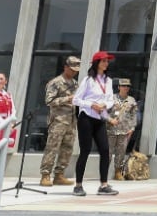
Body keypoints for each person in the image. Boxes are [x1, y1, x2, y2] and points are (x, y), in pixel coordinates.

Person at [71, 51, 119, 197]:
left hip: (99, 118)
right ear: (97, 63)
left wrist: (105, 105)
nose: (106, 63)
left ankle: (103, 185)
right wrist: (92, 104)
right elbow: (76, 100)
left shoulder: (108, 81)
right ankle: (78, 185)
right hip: (86, 117)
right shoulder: (87, 80)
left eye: (107, 61)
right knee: (85, 150)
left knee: (105, 150)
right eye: (103, 61)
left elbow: (110, 99)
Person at [39, 55, 80, 186]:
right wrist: (67, 99)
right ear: (65, 67)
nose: (74, 72)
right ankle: (45, 175)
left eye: (76, 70)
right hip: (58, 120)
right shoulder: (56, 82)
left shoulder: (75, 84)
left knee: (67, 148)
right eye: (72, 69)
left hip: (71, 120)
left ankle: (59, 175)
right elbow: (49, 101)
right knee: (52, 148)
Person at [107, 79, 140, 180]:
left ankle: (117, 172)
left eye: (127, 86)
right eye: (123, 86)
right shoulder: (111, 98)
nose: (126, 88)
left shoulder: (131, 100)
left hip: (124, 130)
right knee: (107, 152)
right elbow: (104, 112)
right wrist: (110, 120)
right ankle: (103, 171)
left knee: (121, 152)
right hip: (111, 129)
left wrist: (132, 128)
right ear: (119, 87)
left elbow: (134, 115)